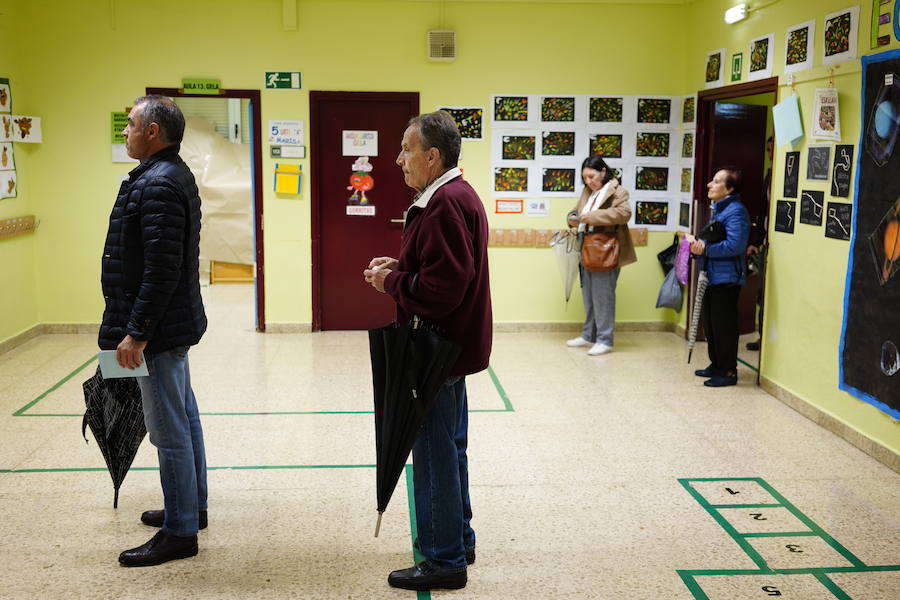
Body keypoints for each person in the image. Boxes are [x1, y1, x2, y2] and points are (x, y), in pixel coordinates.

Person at [363, 110, 491, 591]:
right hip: (451, 350)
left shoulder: (442, 203)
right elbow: (445, 266)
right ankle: (459, 537)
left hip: (436, 350)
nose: (398, 160)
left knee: (435, 455)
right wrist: (402, 264)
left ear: (431, 156)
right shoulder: (454, 195)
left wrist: (390, 282)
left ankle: (443, 560)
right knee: (450, 448)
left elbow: (442, 289)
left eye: (405, 150)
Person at [99, 95, 209, 566]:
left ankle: (180, 531)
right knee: (183, 418)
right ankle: (192, 507)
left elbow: (161, 269)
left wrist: (137, 332)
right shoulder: (162, 175)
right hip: (168, 325)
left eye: (129, 125)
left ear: (152, 132)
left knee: (168, 429)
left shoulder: (159, 183)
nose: (123, 132)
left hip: (158, 332)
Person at [564, 155, 637, 355]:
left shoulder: (618, 191)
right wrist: (572, 217)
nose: (589, 181)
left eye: (592, 176)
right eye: (585, 178)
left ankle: (605, 339)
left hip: (606, 249)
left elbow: (624, 214)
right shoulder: (588, 191)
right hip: (586, 247)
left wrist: (592, 216)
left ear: (603, 171)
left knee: (603, 296)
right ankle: (589, 335)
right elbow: (577, 212)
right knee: (588, 295)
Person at [687, 167, 750, 387]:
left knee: (724, 326)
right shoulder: (720, 209)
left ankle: (728, 371)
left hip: (727, 278)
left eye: (716, 182)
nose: (709, 185)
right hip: (712, 275)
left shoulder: (736, 211)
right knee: (711, 324)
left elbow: (736, 245)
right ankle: (716, 364)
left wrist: (705, 249)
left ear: (729, 188)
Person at [745, 135, 774, 351]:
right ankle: (762, 336)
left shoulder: (785, 174)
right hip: (765, 243)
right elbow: (762, 211)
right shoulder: (770, 175)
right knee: (760, 292)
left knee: (769, 293)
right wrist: (755, 240)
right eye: (768, 150)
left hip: (779, 244)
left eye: (774, 149)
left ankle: (767, 339)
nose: (771, 154)